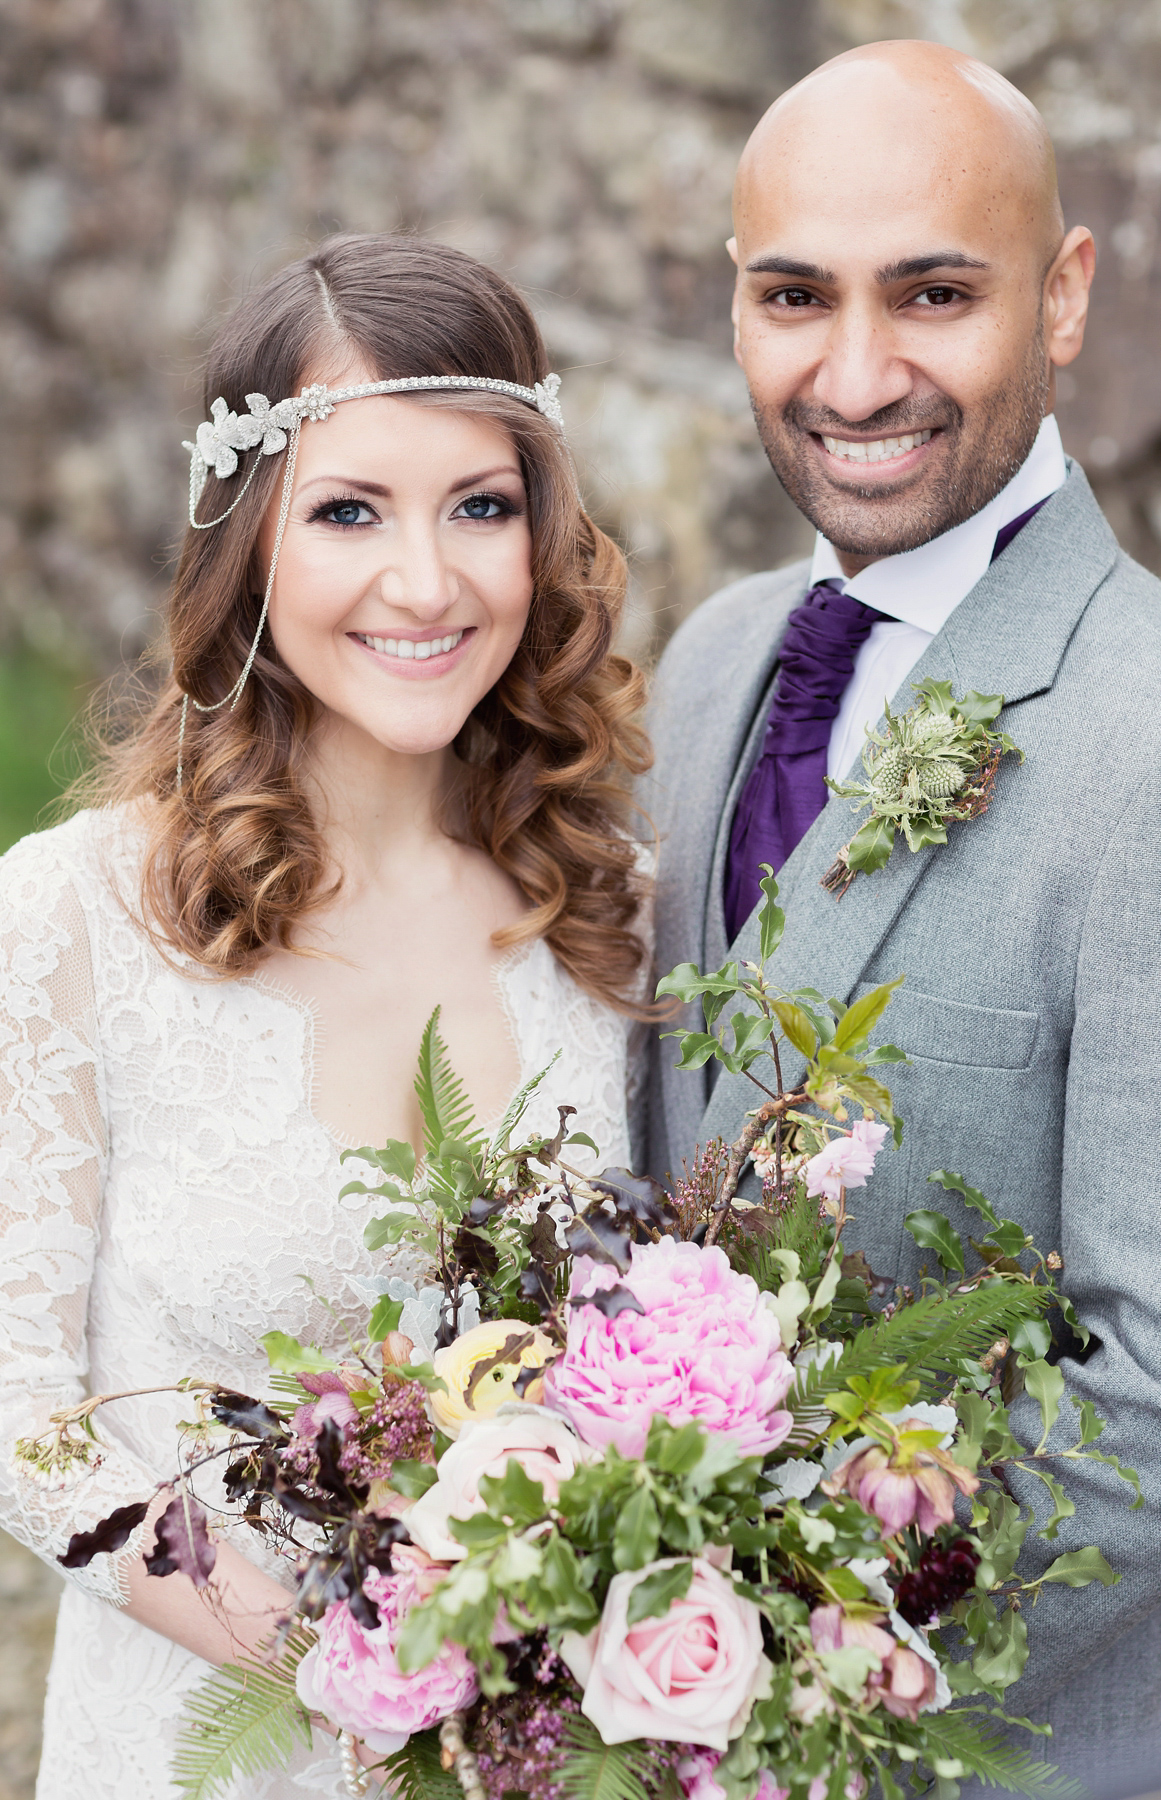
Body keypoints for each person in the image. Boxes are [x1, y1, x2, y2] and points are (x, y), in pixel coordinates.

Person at [0, 233, 650, 1798]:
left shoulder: (611, 904)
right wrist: (335, 1657)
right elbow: (21, 1409)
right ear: (250, 547)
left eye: (480, 509)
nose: (424, 583)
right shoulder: (76, 915)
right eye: (349, 510)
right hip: (206, 1751)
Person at [643, 40, 1161, 1798]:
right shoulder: (718, 656)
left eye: (935, 293)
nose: (857, 372)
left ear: (1062, 298)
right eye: (795, 296)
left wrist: (792, 1683)